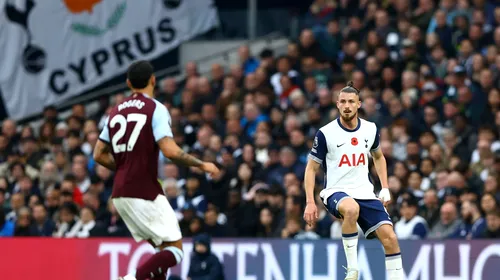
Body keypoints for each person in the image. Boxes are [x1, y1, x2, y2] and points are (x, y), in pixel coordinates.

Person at [93, 60, 220, 280]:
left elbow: (98, 154)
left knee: (161, 251)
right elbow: (170, 151)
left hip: (121, 191)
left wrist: (124, 167)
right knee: (175, 250)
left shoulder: (114, 112)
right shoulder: (155, 108)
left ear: (128, 83)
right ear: (153, 80)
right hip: (144, 189)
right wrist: (201, 164)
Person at [303, 82, 404, 280]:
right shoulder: (326, 133)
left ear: (359, 104)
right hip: (335, 191)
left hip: (365, 192)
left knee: (391, 238)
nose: (347, 105)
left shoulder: (370, 129)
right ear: (337, 105)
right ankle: (352, 270)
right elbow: (311, 168)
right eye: (343, 101)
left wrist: (384, 187)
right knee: (350, 209)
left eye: (351, 101)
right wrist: (309, 202)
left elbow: (378, 157)